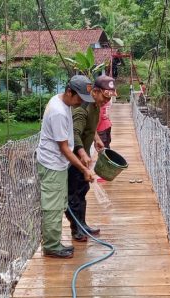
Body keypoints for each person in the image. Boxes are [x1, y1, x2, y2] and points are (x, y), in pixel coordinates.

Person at [36, 75, 95, 258]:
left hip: (58, 164)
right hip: (52, 164)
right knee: (53, 207)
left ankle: (55, 242)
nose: (81, 103)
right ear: (69, 92)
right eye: (79, 98)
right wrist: (84, 169)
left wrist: (81, 156)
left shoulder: (63, 102)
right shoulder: (59, 112)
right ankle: (51, 246)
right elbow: (64, 148)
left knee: (60, 202)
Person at [66, 75, 117, 242]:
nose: (106, 101)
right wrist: (82, 154)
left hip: (83, 156)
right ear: (95, 92)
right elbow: (74, 134)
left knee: (83, 190)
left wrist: (96, 138)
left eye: (109, 98)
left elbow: (90, 126)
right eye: (105, 97)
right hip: (73, 159)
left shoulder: (96, 105)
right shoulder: (82, 109)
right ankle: (76, 229)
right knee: (74, 194)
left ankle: (82, 225)